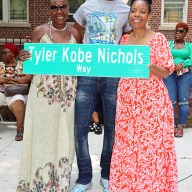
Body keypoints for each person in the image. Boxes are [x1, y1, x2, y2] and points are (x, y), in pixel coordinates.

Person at [109, 0, 178, 191]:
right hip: (127, 102)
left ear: (148, 15)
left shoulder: (158, 39)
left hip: (152, 103)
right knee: (128, 147)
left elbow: (166, 71)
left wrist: (152, 67)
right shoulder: (124, 40)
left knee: (151, 149)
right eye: (133, 11)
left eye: (142, 11)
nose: (136, 15)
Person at [16, 0, 81, 191]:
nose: (59, 11)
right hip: (42, 97)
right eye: (54, 7)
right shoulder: (39, 31)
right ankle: (37, 183)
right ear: (49, 10)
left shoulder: (75, 33)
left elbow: (83, 63)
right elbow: (29, 61)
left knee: (63, 137)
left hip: (67, 99)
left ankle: (59, 183)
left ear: (69, 10)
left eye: (63, 7)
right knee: (42, 137)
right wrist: (23, 57)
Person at [71, 0, 132, 191]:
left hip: (113, 74)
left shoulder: (126, 10)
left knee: (112, 129)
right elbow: (75, 33)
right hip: (87, 72)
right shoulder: (86, 6)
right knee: (80, 128)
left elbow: (129, 39)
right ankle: (84, 177)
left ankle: (107, 174)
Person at [163, 22, 192, 138]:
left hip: (185, 75)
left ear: (186, 33)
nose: (178, 33)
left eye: (181, 31)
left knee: (184, 102)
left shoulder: (189, 46)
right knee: (171, 102)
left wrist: (182, 64)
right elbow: (164, 56)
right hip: (170, 75)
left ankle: (180, 127)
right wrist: (172, 65)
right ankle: (172, 126)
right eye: (176, 30)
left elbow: (191, 58)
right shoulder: (169, 44)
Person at [0, 43, 32, 141]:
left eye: (4, 52)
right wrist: (14, 79)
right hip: (2, 92)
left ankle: (20, 129)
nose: (2, 55)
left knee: (18, 99)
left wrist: (12, 80)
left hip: (16, 92)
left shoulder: (22, 65)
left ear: (13, 53)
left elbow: (28, 78)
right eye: (2, 53)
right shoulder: (0, 65)